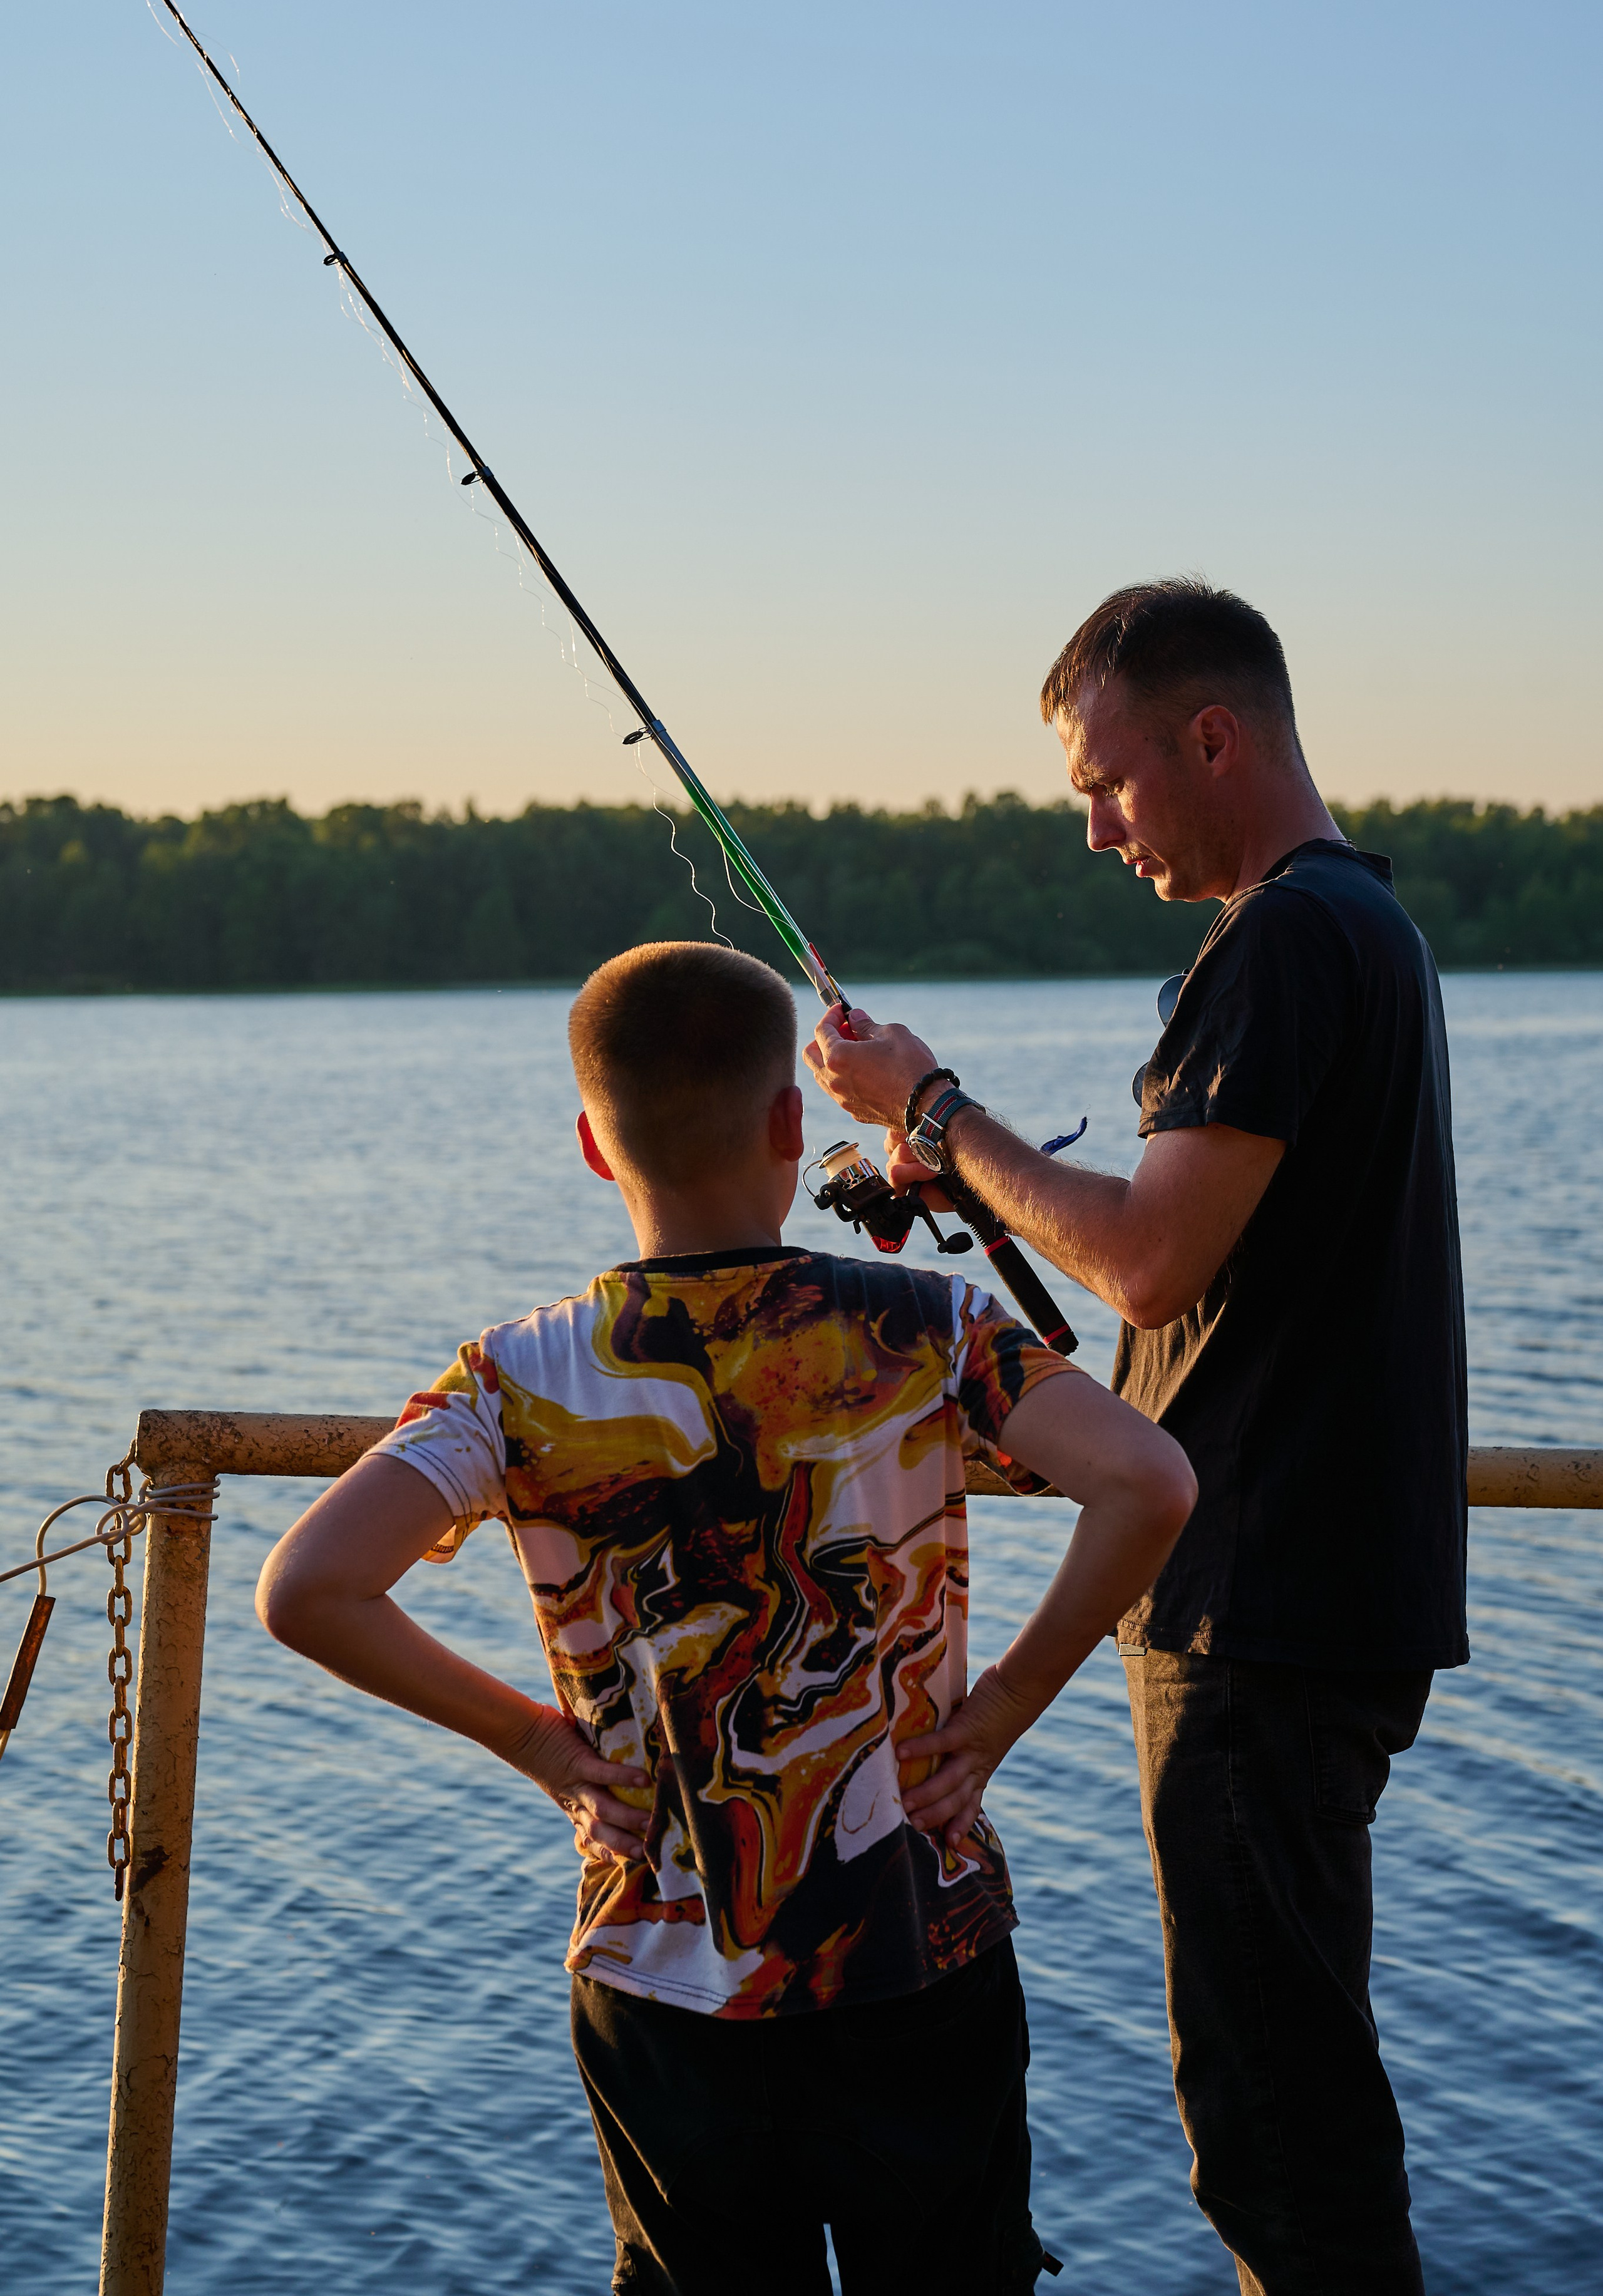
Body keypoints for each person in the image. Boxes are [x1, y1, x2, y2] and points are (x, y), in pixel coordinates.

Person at [257, 939, 1196, 2296]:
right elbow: (1148, 1478)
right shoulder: (922, 1326)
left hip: (659, 1975)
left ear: (593, 1143)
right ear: (791, 1122)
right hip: (914, 1947)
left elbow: (309, 1590)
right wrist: (996, 1710)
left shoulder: (516, 1377)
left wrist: (536, 1745)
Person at [805, 580, 1468, 2296]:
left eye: (1105, 782)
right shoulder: (1364, 930)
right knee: (1291, 2106)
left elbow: (1155, 1252)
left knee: (1278, 2142)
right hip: (1319, 1595)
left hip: (1259, 1613)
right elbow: (1215, 1280)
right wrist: (946, 1171)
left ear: (1211, 736)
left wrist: (939, 1114)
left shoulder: (1282, 942)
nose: (1093, 826)